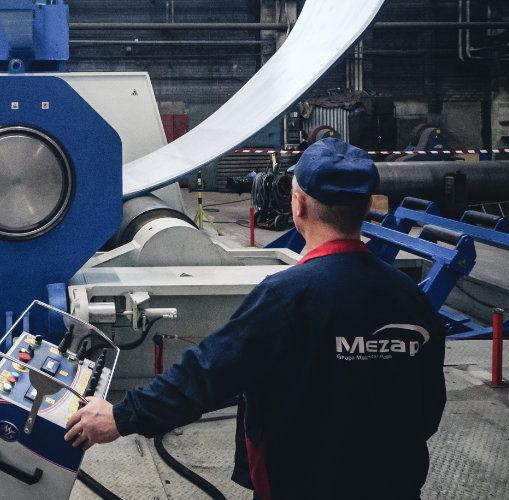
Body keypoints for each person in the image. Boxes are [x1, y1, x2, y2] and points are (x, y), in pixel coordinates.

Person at [64, 138, 446, 500]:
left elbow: (206, 374)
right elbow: (429, 410)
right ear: (366, 208)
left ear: (298, 206)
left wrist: (121, 416)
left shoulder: (286, 297)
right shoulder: (412, 299)